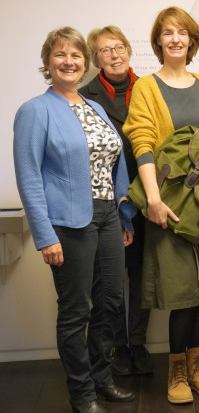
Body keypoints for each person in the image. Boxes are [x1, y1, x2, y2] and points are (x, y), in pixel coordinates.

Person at [122, 7, 199, 404]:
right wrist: (153, 200)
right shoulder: (145, 86)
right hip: (171, 203)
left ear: (192, 41)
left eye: (183, 33)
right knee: (181, 290)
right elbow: (141, 143)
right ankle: (176, 369)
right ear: (158, 40)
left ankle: (197, 364)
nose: (176, 38)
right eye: (168, 32)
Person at [13, 26, 137, 413]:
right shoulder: (35, 110)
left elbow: (115, 165)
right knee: (76, 310)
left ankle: (102, 379)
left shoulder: (95, 108)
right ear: (48, 63)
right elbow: (29, 176)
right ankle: (82, 393)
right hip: (69, 223)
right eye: (60, 55)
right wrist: (45, 235)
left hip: (108, 218)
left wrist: (125, 217)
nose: (69, 62)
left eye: (76, 56)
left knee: (110, 304)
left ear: (85, 63)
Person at [79, 25, 153, 377]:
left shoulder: (150, 88)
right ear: (96, 59)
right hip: (107, 200)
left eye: (120, 46)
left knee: (142, 274)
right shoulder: (83, 96)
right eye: (105, 50)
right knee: (110, 279)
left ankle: (137, 343)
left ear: (129, 51)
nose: (115, 54)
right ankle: (115, 347)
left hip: (150, 195)